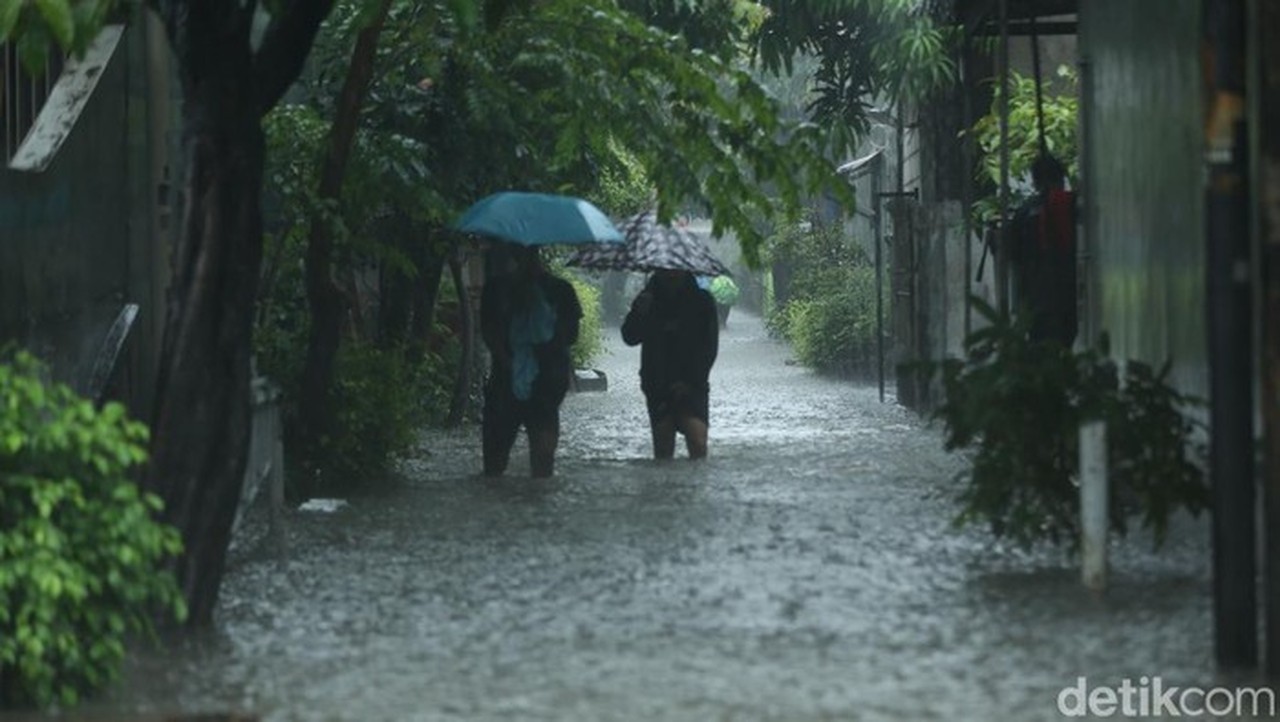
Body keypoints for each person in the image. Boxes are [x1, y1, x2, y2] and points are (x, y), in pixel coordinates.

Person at [480, 246, 582, 477]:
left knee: (543, 459)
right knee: (494, 463)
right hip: (505, 384)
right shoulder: (497, 290)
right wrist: (507, 360)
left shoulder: (560, 290)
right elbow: (489, 332)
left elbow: (571, 334)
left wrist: (546, 330)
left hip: (546, 383)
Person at [621, 269, 719, 459]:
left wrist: (691, 381)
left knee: (697, 442)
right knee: (663, 446)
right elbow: (630, 337)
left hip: (693, 383)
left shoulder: (702, 300)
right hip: (657, 381)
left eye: (676, 269)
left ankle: (695, 486)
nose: (671, 274)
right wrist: (639, 312)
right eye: (665, 269)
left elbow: (709, 347)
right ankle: (665, 487)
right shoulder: (648, 299)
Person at [1008, 153, 1078, 347]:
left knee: (1040, 350)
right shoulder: (1071, 205)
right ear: (1060, 179)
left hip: (1035, 300)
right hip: (1067, 297)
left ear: (1035, 181)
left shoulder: (1023, 214)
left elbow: (1014, 260)